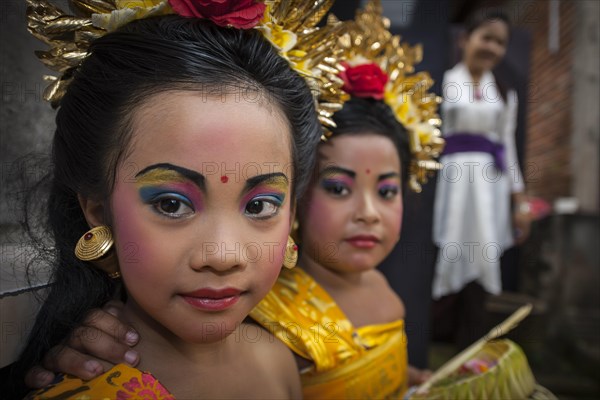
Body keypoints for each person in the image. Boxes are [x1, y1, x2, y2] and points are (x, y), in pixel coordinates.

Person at [22, 2, 442, 398]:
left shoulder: (276, 359)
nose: (223, 255)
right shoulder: (90, 385)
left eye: (260, 205)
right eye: (172, 204)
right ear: (97, 209)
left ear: (291, 210)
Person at [431, 11, 532, 350]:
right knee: (446, 248)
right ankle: (431, 340)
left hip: (489, 188)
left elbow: (508, 147)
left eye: (500, 42)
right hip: (449, 184)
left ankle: (470, 346)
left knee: (482, 255)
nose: (492, 47)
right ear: (465, 39)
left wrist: (520, 202)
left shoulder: (505, 94)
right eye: (486, 37)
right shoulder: (442, 83)